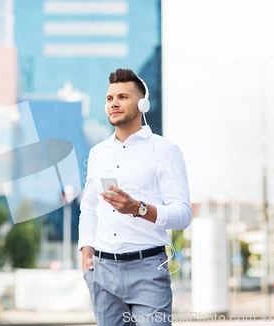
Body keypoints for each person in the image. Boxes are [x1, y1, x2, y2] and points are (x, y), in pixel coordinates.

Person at [78, 68, 193, 326]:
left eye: (122, 97)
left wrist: (138, 208)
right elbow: (89, 209)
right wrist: (86, 255)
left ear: (142, 104)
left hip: (148, 270)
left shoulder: (165, 150)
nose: (114, 103)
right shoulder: (98, 153)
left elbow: (184, 214)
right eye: (109, 99)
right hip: (102, 273)